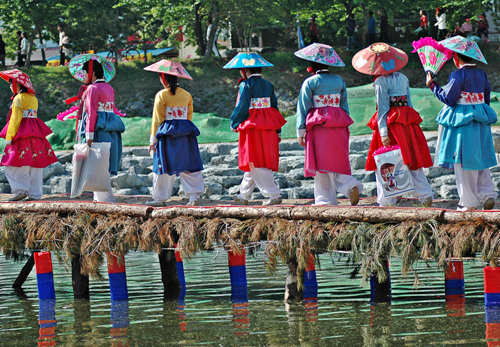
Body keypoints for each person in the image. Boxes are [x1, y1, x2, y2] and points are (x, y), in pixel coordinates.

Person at [352, 43, 434, 207]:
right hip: (407, 121)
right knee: (412, 158)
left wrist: (383, 131)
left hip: (391, 125)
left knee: (385, 161)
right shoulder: (403, 78)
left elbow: (383, 108)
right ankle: (425, 194)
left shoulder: (381, 81)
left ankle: (387, 200)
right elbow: (408, 103)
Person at [426, 36, 497, 211]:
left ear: (456, 58)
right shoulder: (481, 74)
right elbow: (486, 97)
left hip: (463, 124)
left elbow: (449, 98)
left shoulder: (458, 74)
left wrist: (432, 85)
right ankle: (487, 194)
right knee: (481, 158)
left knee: (463, 160)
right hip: (480, 119)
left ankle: (468, 203)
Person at [294, 43, 363, 206]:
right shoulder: (339, 81)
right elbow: (344, 106)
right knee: (336, 161)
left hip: (318, 126)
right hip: (338, 124)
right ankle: (349, 185)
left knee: (320, 164)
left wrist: (300, 131)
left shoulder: (310, 82)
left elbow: (303, 107)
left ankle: (325, 200)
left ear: (311, 65)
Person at [223, 52, 286, 206]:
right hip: (269, 125)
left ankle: (274, 194)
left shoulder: (245, 85)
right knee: (255, 162)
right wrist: (278, 130)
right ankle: (244, 195)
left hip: (253, 126)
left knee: (255, 161)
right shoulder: (269, 85)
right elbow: (274, 107)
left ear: (245, 70)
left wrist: (235, 123)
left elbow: (242, 107)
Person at [144, 60, 204, 207]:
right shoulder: (187, 95)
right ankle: (194, 197)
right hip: (185, 134)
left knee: (162, 165)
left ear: (163, 78)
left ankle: (159, 198)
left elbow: (157, 119)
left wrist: (152, 141)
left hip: (167, 135)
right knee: (189, 164)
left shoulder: (161, 95)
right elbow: (189, 117)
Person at [0, 70, 58, 201]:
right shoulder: (33, 98)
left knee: (14, 163)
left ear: (18, 85)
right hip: (35, 133)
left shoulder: (18, 98)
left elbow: (15, 119)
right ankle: (35, 194)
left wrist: (9, 137)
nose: (10, 86)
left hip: (22, 132)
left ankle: (20, 190)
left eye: (11, 84)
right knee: (34, 163)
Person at [78, 58, 125, 202]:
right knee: (105, 164)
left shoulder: (92, 89)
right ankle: (101, 197)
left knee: (97, 164)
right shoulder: (109, 88)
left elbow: (92, 112)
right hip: (111, 129)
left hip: (99, 130)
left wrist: (89, 135)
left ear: (91, 74)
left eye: (84, 73)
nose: (83, 76)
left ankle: (105, 199)